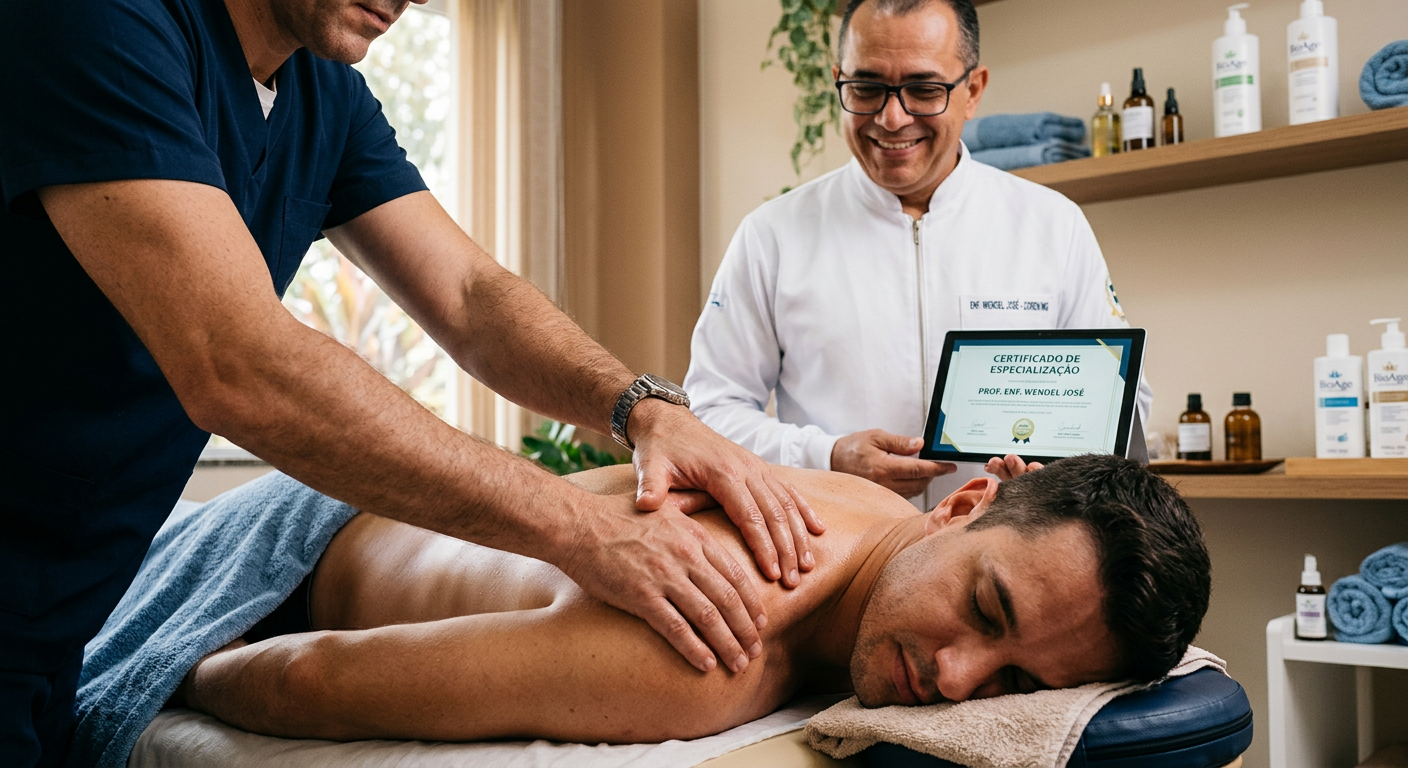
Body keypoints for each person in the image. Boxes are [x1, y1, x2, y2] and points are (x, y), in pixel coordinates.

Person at [0, 0, 819, 763]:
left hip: (62, 610)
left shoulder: (325, 98)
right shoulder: (93, 22)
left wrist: (641, 408)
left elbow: (470, 299)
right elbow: (238, 363)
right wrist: (581, 528)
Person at [169, 454, 1210, 744]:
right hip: (284, 552)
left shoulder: (855, 503)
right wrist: (172, 676)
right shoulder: (710, 648)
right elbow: (310, 679)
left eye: (1017, 682)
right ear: (967, 502)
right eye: (986, 613)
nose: (953, 680)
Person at [685, 0, 1153, 511]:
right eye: (866, 88)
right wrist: (827, 456)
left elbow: (1124, 410)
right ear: (839, 80)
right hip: (836, 557)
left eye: (924, 90)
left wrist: (1054, 466)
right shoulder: (771, 236)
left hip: (1000, 555)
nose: (891, 117)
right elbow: (710, 411)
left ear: (972, 91)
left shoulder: (1051, 225)